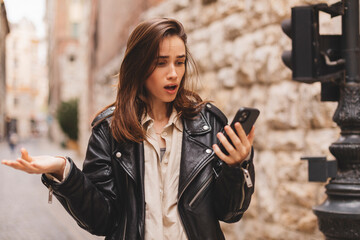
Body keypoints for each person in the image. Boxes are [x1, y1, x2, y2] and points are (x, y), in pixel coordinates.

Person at [1, 18, 255, 240]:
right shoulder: (109, 131)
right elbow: (101, 221)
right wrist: (63, 171)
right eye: (161, 63)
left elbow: (230, 212)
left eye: (179, 62)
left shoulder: (209, 124)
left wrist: (238, 166)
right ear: (140, 65)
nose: (174, 74)